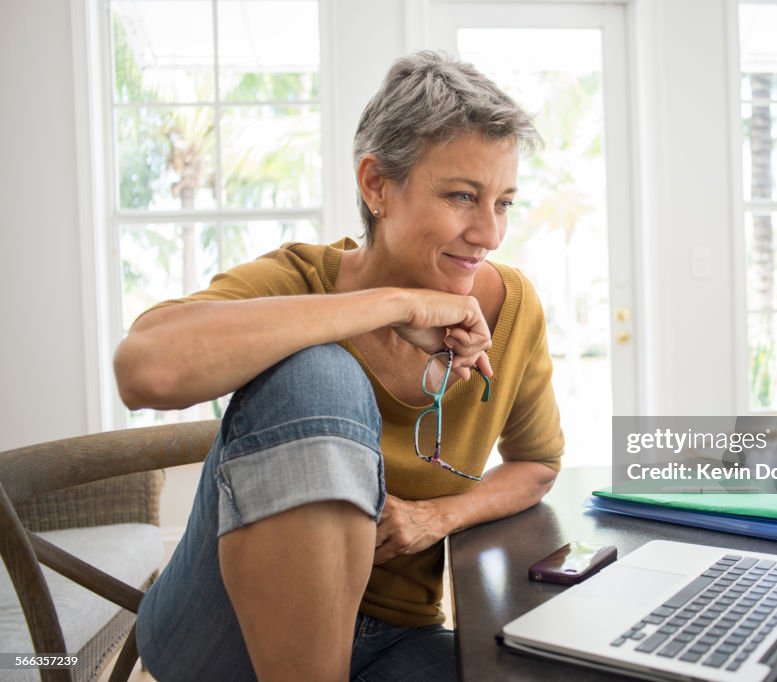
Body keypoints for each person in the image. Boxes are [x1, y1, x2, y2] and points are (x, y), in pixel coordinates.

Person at [115, 51, 564, 682]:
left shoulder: (511, 307)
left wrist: (438, 517)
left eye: (504, 203)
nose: (489, 233)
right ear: (376, 184)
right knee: (315, 371)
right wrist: (389, 305)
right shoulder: (296, 279)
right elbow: (144, 370)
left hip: (392, 637)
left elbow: (537, 463)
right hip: (222, 633)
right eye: (463, 196)